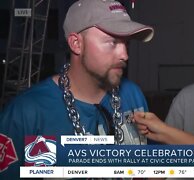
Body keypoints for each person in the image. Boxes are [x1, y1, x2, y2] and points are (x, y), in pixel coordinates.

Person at [0, 0, 153, 178]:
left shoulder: (133, 95)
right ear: (76, 44)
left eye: (126, 43)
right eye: (112, 42)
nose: (125, 55)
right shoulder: (26, 112)